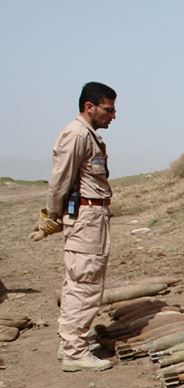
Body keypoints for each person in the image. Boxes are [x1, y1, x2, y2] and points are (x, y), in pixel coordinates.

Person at [44, 82, 118, 372]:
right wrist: (52, 215)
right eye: (108, 109)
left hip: (91, 216)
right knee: (85, 283)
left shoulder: (87, 135)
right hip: (86, 218)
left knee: (78, 282)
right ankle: (75, 351)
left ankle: (69, 343)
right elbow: (60, 179)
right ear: (90, 107)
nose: (113, 115)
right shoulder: (77, 134)